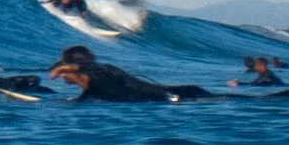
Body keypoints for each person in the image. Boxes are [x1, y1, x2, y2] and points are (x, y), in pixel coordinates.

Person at [47, 43, 209, 103]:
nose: (62, 78)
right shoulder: (94, 88)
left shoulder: (98, 73)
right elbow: (85, 97)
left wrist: (60, 69)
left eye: (62, 74)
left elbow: (83, 67)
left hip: (168, 97)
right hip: (165, 96)